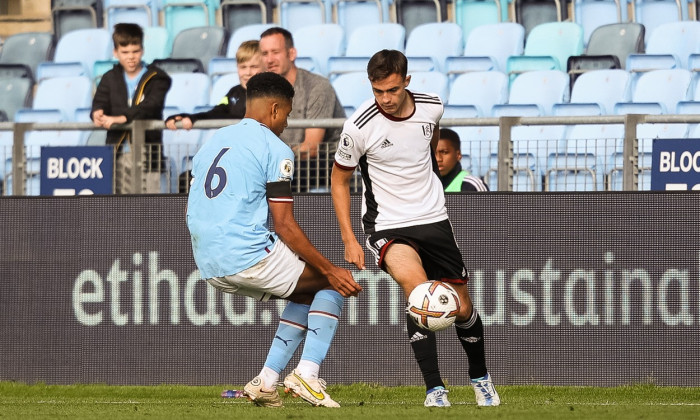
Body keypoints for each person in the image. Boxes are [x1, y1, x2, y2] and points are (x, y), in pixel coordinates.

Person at [330, 50, 500, 407]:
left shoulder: (432, 106)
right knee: (419, 294)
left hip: (434, 218)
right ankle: (435, 390)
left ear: (407, 82)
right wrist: (348, 238)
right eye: (378, 91)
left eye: (392, 90)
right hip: (388, 224)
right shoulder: (359, 125)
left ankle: (481, 379)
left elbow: (429, 139)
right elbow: (339, 181)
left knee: (463, 307)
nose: (385, 99)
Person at [186, 72, 362, 408]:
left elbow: (192, 207)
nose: (287, 123)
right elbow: (284, 225)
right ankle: (307, 375)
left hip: (207, 260)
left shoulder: (210, 143)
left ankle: (266, 381)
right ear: (275, 109)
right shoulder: (275, 148)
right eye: (289, 114)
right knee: (330, 283)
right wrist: (330, 268)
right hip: (245, 252)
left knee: (306, 290)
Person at [259, 27, 345, 192]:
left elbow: (310, 149)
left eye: (275, 52)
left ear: (291, 54)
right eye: (264, 54)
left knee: (275, 180)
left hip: (323, 165)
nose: (269, 59)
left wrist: (270, 161)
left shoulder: (318, 87)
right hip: (287, 164)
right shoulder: (264, 93)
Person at [91, 23, 171, 194]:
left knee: (148, 210)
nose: (131, 57)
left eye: (135, 51)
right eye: (125, 52)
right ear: (115, 53)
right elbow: (100, 102)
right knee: (119, 210)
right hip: (116, 155)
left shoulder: (158, 78)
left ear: (142, 50)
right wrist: (97, 113)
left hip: (148, 156)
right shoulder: (109, 78)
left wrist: (122, 118)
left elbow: (151, 106)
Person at [164, 40, 262, 130]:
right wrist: (190, 117)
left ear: (265, 67)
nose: (247, 72)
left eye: (254, 67)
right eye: (243, 67)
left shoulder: (272, 94)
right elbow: (216, 113)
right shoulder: (234, 93)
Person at [436, 128, 489, 192]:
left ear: (458, 155)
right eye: (433, 153)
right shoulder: (425, 185)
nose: (438, 159)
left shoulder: (472, 186)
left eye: (444, 152)